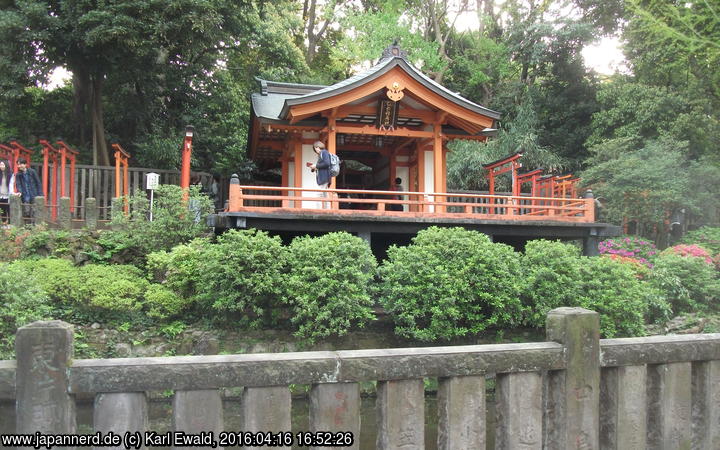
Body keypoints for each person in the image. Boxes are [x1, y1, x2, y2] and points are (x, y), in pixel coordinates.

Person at [308, 141, 331, 209]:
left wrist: (316, 165)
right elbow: (323, 166)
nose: (316, 150)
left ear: (318, 147)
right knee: (325, 194)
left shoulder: (324, 152)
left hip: (324, 177)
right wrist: (314, 167)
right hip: (325, 176)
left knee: (318, 193)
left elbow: (327, 163)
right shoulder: (322, 154)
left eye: (316, 149)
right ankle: (328, 210)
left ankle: (318, 210)